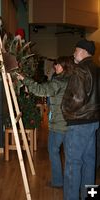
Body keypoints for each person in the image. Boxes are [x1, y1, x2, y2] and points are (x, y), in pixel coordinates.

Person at [16, 56, 74, 188]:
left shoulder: (58, 82)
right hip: (71, 123)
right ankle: (71, 183)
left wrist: (24, 79)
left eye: (58, 65)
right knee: (71, 156)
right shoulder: (72, 80)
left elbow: (40, 90)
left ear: (64, 66)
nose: (55, 67)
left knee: (53, 151)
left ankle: (58, 181)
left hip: (59, 124)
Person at [61, 39, 100, 200]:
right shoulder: (97, 69)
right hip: (93, 122)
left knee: (73, 165)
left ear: (83, 51)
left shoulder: (80, 70)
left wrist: (64, 109)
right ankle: (89, 197)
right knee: (89, 164)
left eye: (76, 50)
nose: (74, 53)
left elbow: (77, 99)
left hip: (78, 124)